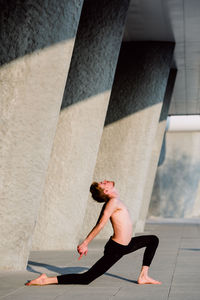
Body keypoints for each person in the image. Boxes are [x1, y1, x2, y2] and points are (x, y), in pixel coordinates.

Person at [26, 180, 161, 286]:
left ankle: (143, 275)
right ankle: (46, 280)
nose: (104, 181)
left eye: (102, 182)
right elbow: (100, 224)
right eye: (103, 183)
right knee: (86, 278)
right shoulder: (112, 203)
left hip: (128, 244)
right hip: (116, 248)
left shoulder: (114, 201)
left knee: (153, 240)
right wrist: (85, 243)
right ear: (106, 190)